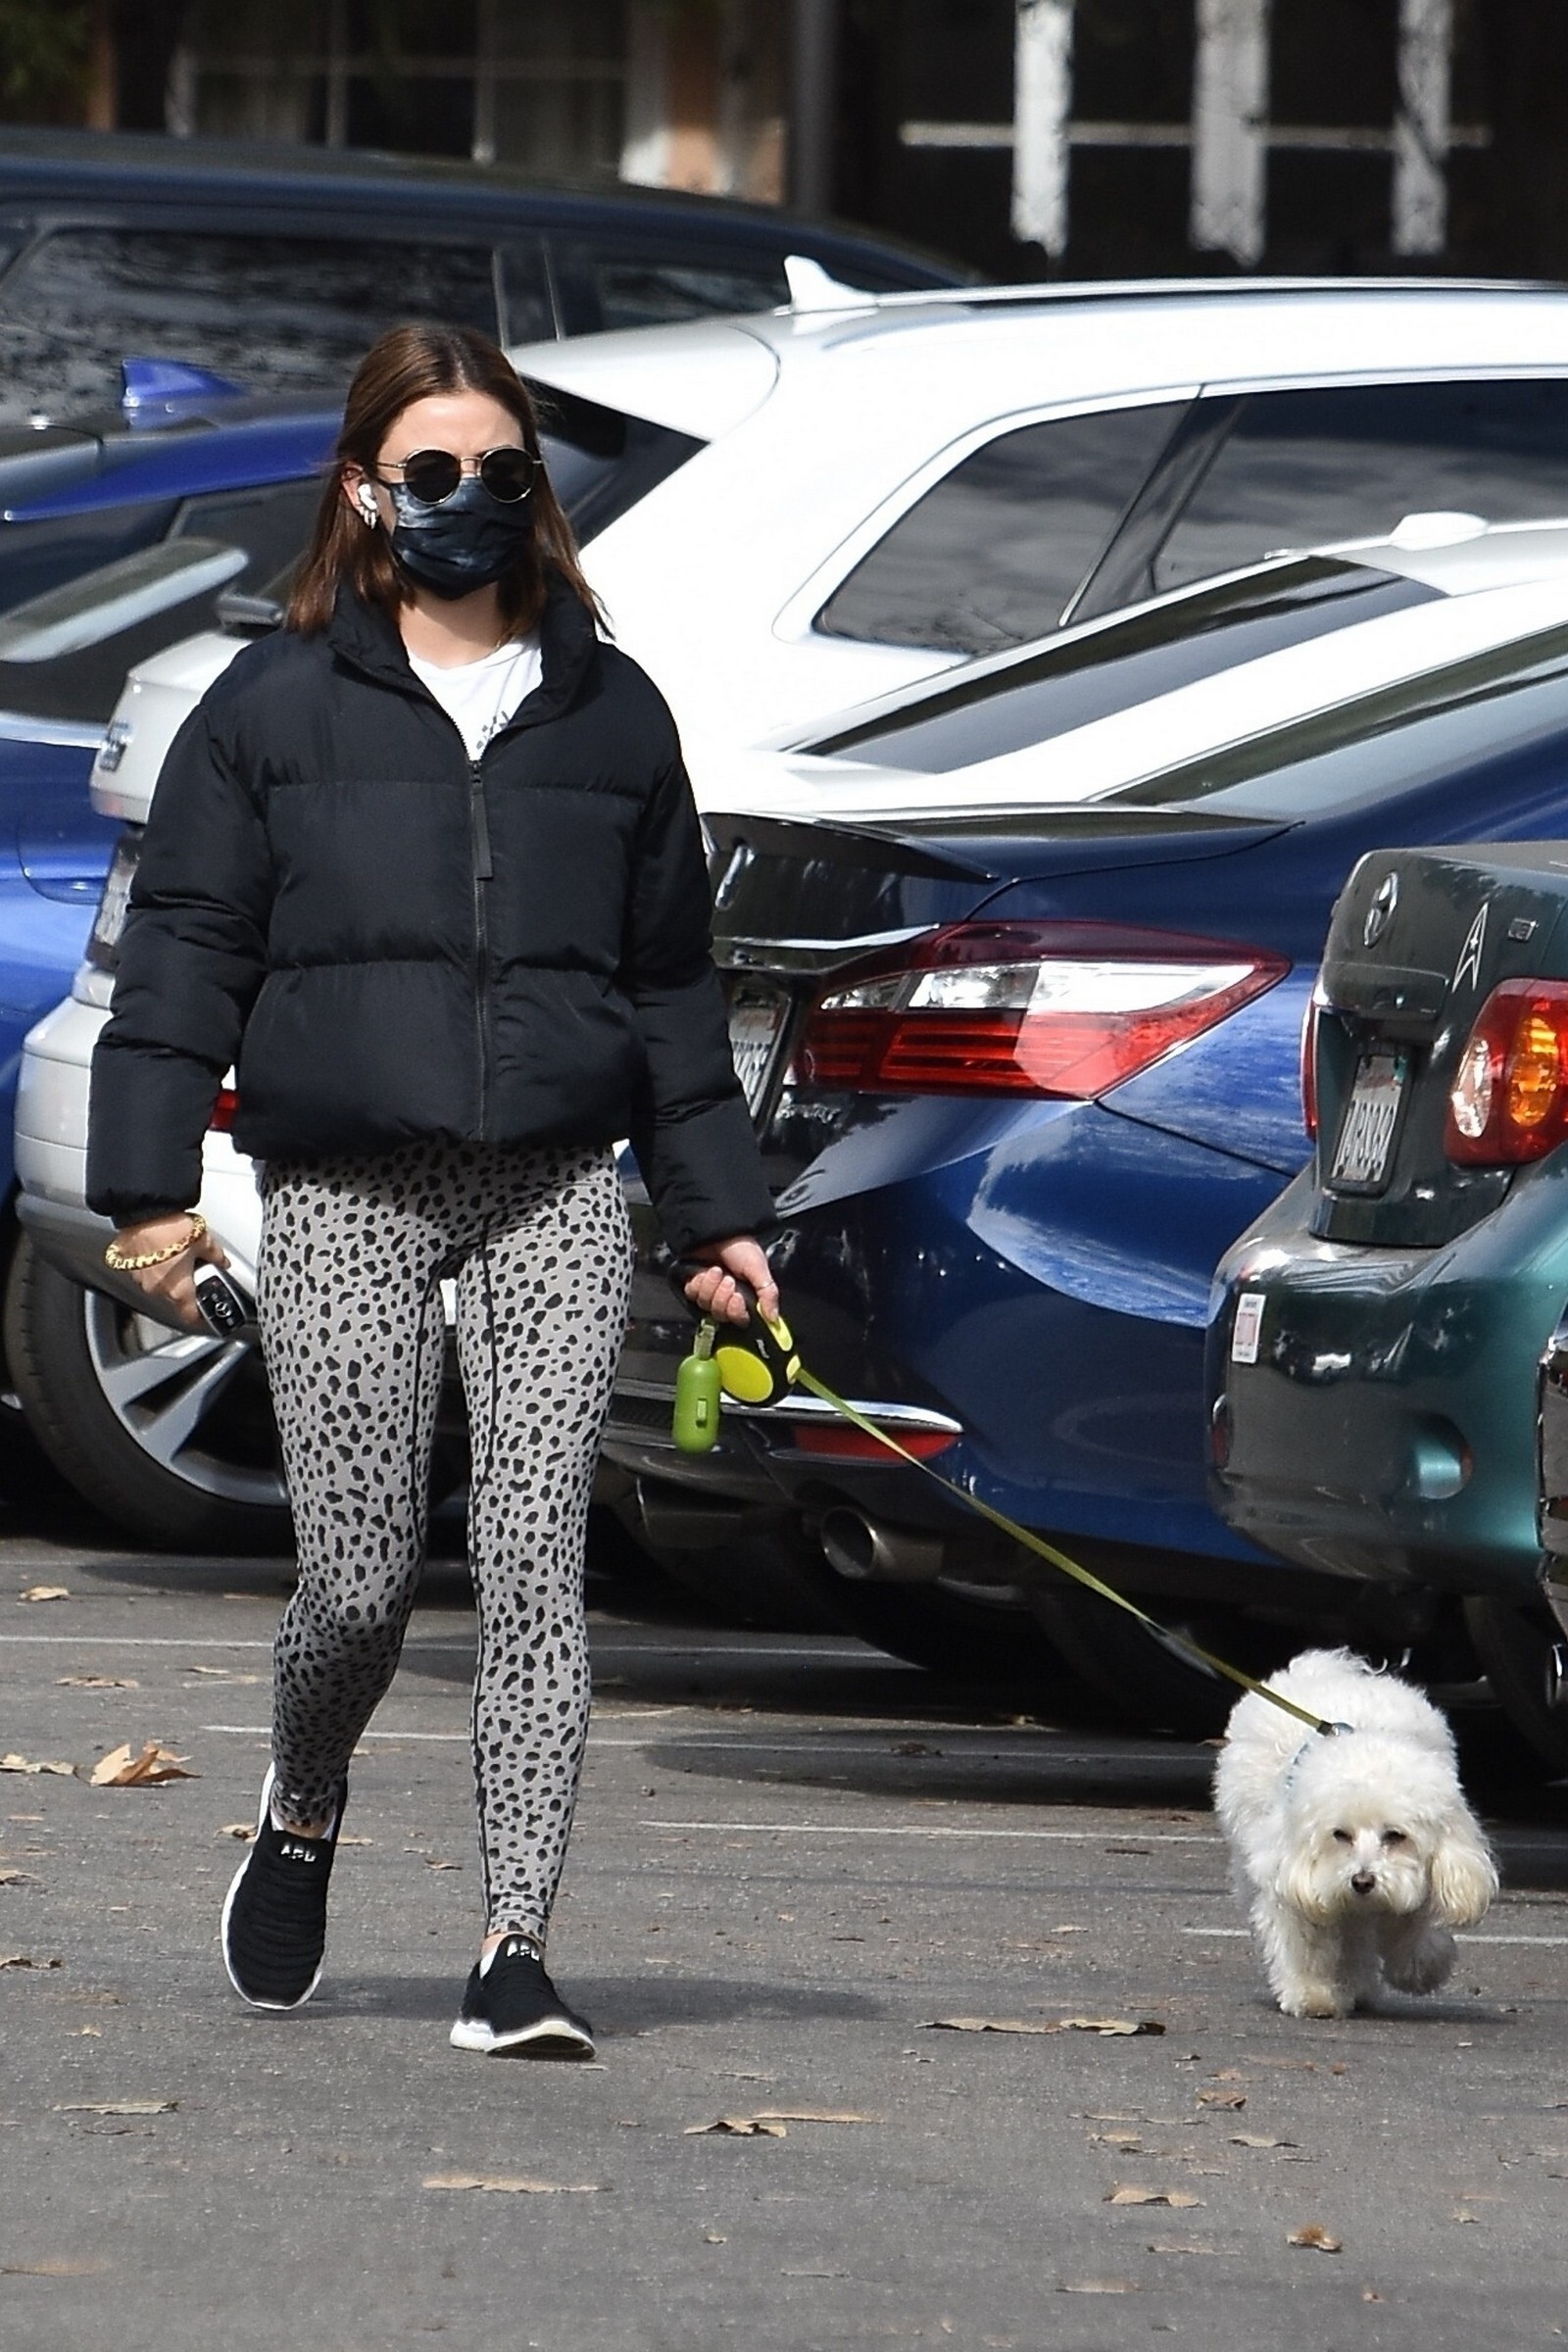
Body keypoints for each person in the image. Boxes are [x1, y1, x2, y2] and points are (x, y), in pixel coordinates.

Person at [85, 321, 775, 2058]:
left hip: (554, 1186)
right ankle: (304, 1800)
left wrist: (719, 1218)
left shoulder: (611, 709)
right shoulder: (271, 706)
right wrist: (147, 1197)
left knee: (538, 1563)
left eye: (503, 469)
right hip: (349, 1184)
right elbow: (183, 953)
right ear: (364, 490)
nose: (472, 496)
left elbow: (670, 986)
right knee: (360, 1583)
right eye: (435, 470)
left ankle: (513, 1950)